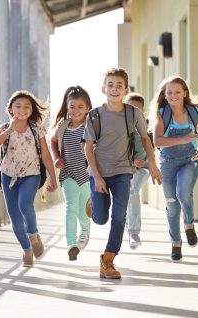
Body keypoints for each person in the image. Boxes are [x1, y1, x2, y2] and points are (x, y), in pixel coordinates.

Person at [84, 67, 162, 279]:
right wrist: (97, 177)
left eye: (119, 85)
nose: (115, 89)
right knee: (100, 218)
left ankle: (108, 260)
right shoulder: (95, 115)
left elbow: (146, 139)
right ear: (103, 88)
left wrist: (153, 164)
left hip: (123, 171)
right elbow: (87, 147)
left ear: (126, 90)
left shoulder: (133, 113)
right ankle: (94, 200)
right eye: (111, 85)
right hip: (99, 171)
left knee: (119, 215)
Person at [0, 90, 57, 267]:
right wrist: (10, 129)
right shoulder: (3, 128)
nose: (22, 109)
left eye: (27, 106)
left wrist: (52, 177)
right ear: (10, 109)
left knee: (24, 204)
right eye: (17, 106)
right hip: (8, 176)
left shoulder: (36, 128)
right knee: (15, 218)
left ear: (32, 109)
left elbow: (46, 156)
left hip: (31, 174)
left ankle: (33, 235)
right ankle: (27, 250)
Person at [151, 76, 198, 262]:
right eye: (169, 92)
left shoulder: (194, 111)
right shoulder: (162, 114)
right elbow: (157, 141)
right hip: (168, 162)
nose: (173, 95)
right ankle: (176, 243)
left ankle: (189, 224)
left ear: (185, 93)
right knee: (171, 203)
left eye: (177, 92)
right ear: (165, 94)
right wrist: (183, 138)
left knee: (183, 192)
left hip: (191, 158)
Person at [50, 86, 92, 261]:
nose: (76, 111)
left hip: (87, 175)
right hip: (68, 174)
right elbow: (53, 141)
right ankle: (71, 244)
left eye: (80, 107)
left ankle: (85, 227)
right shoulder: (63, 126)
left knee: (83, 212)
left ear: (88, 108)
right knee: (70, 208)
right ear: (67, 108)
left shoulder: (91, 126)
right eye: (72, 107)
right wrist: (57, 157)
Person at [124, 92, 151, 249]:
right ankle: (125, 223)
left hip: (143, 168)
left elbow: (149, 149)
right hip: (123, 167)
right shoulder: (119, 125)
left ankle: (133, 232)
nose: (135, 112)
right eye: (131, 108)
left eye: (138, 109)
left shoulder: (147, 126)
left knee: (133, 190)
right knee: (124, 194)